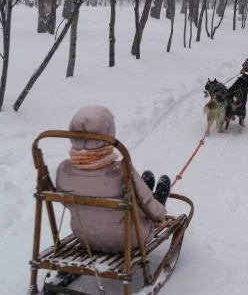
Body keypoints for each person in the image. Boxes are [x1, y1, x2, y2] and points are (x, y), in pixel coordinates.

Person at [56, 106, 170, 253]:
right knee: (145, 199)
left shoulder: (63, 169)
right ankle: (158, 198)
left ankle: (144, 187)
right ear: (109, 133)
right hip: (128, 239)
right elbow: (146, 203)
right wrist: (160, 219)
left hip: (85, 237)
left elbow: (66, 201)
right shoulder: (121, 170)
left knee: (134, 192)